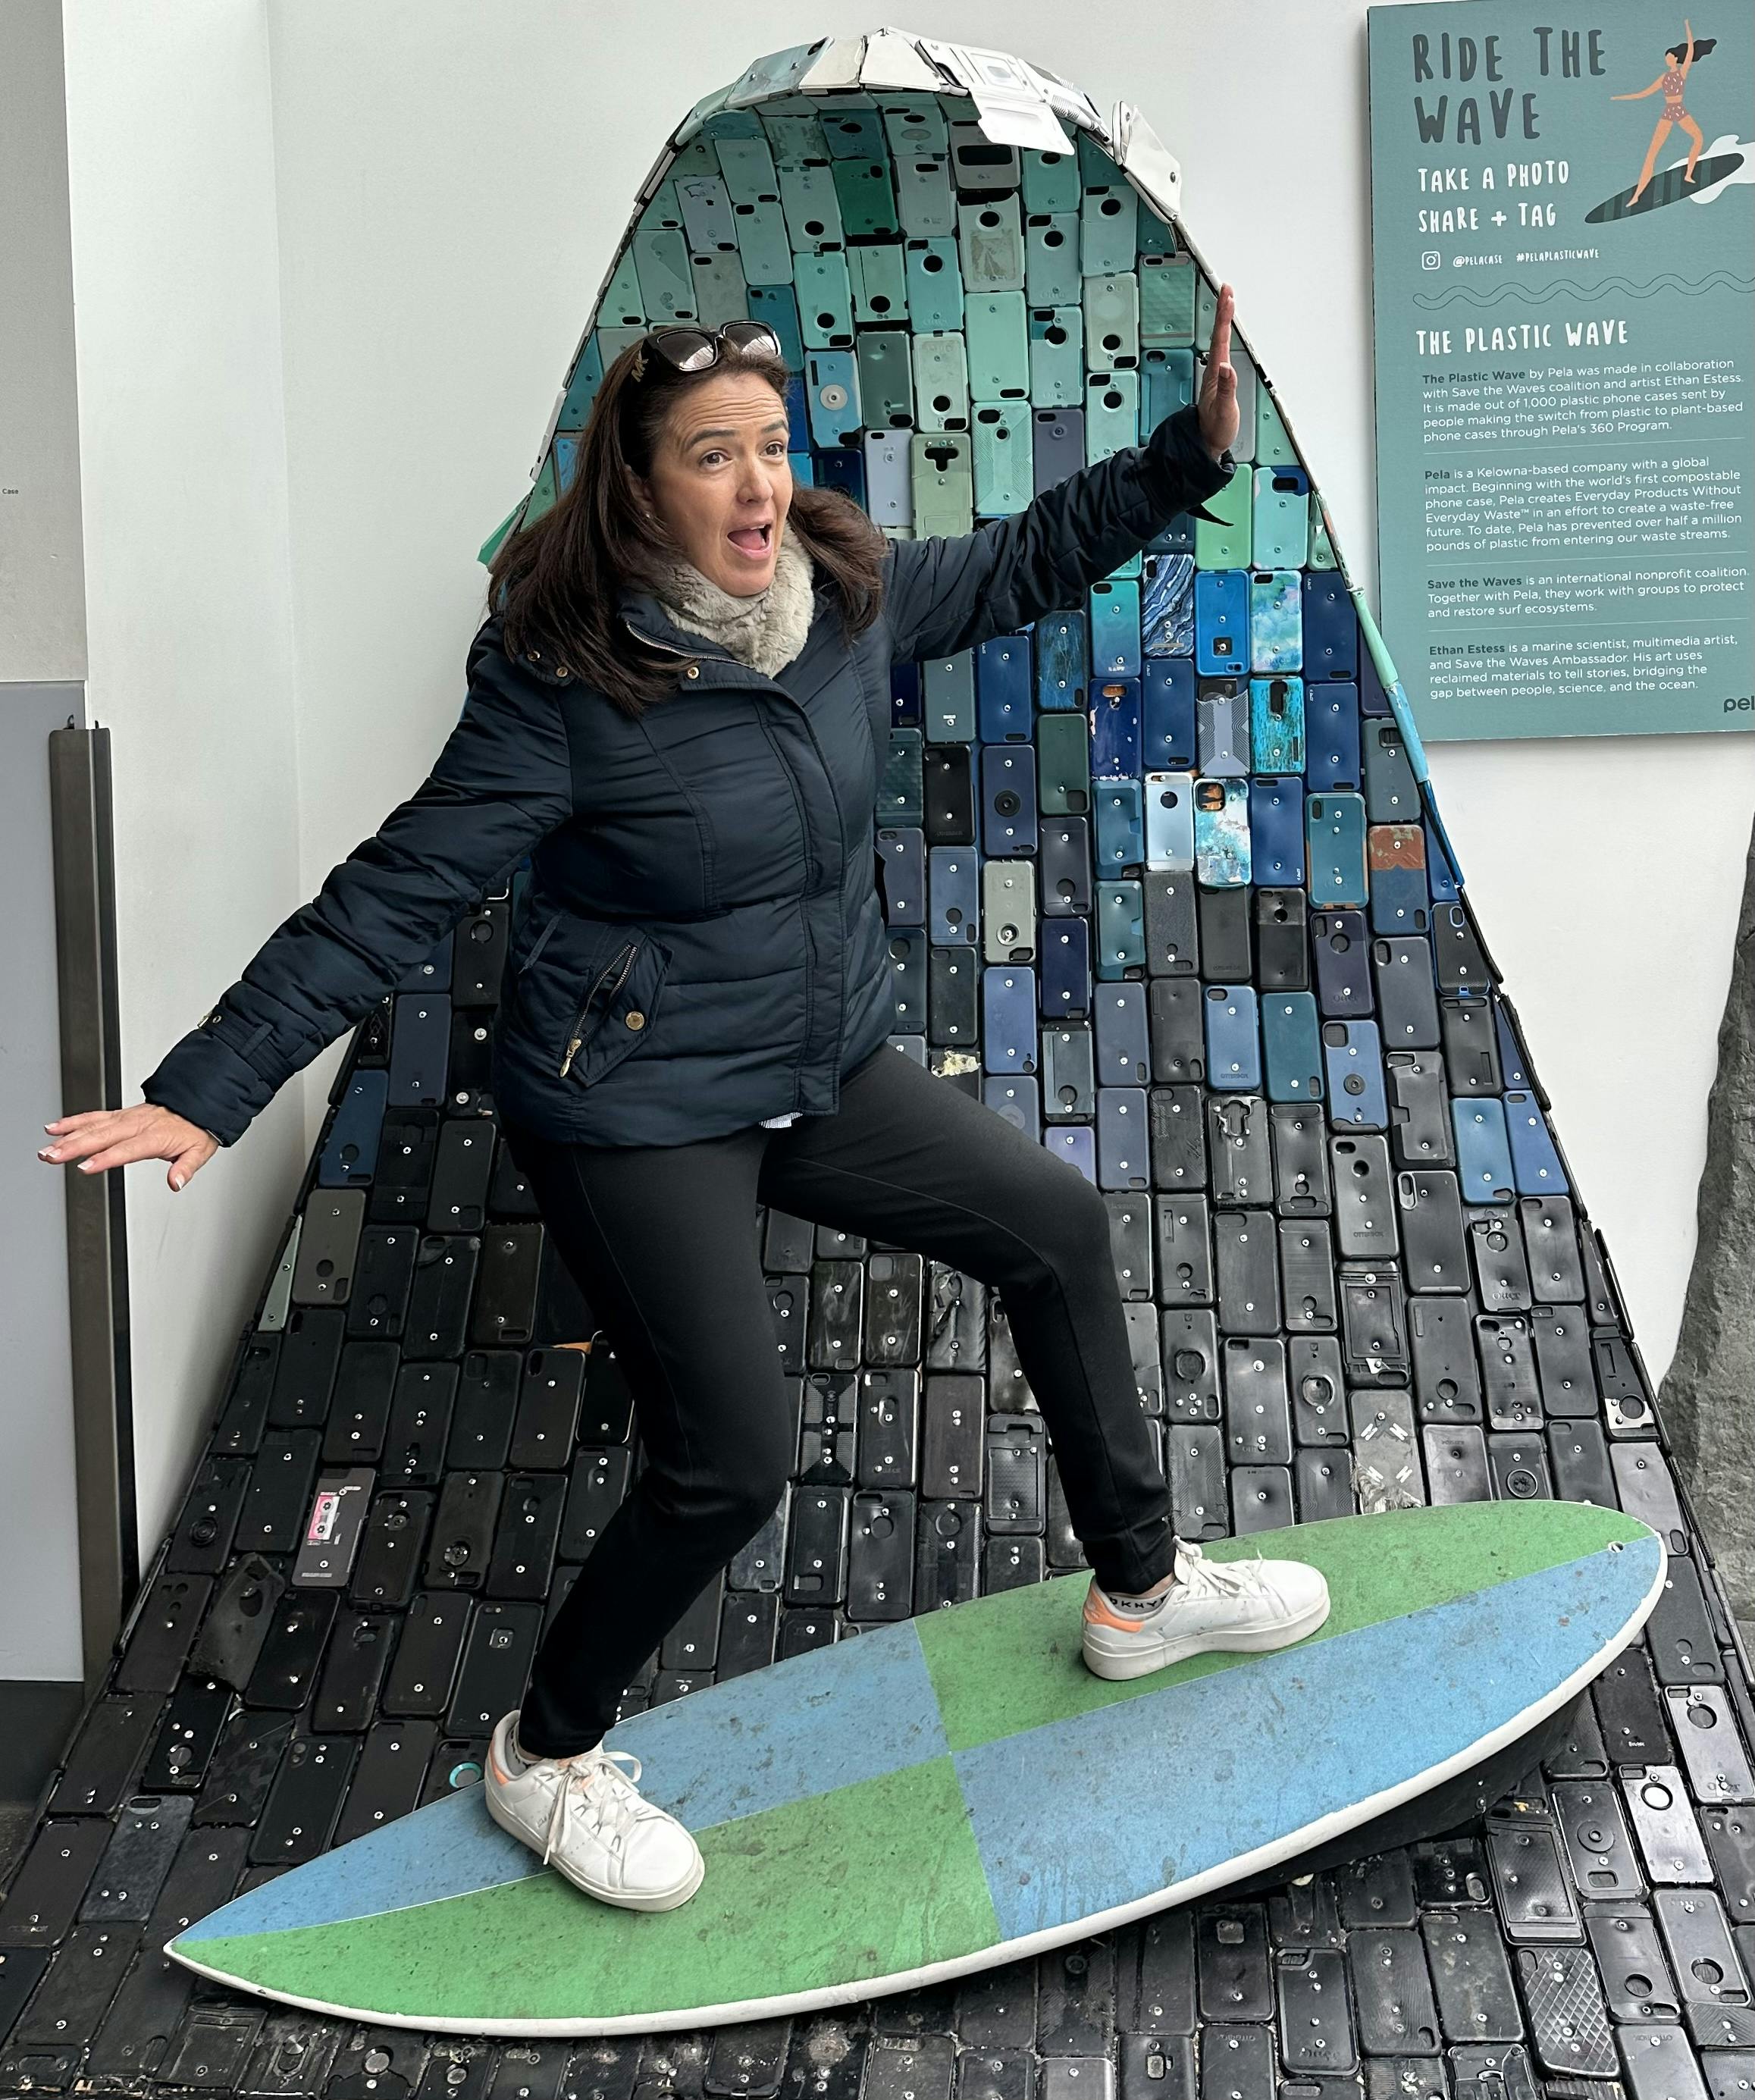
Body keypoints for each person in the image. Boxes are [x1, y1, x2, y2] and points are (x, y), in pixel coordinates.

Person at [39, 285, 1330, 1917]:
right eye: (711, 455)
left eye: (769, 447)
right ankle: (544, 1751)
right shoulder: (563, 685)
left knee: (1054, 1230)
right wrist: (210, 1090)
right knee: (729, 1459)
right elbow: (391, 897)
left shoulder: (838, 594)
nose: (755, 483)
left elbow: (1018, 563)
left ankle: (1138, 1591)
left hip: (810, 1062)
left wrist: (1182, 458)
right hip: (631, 1104)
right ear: (640, 486)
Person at [1612, 20, 1714, 204]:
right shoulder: (1664, 77)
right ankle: (1636, 196)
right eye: (1666, 58)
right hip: (1669, 112)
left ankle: (1689, 174)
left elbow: (1690, 52)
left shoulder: (1681, 73)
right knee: (1652, 154)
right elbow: (1644, 93)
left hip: (1680, 110)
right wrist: (1621, 98)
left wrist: (1688, 28)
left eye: (1669, 57)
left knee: (1698, 139)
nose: (1666, 60)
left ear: (1674, 58)